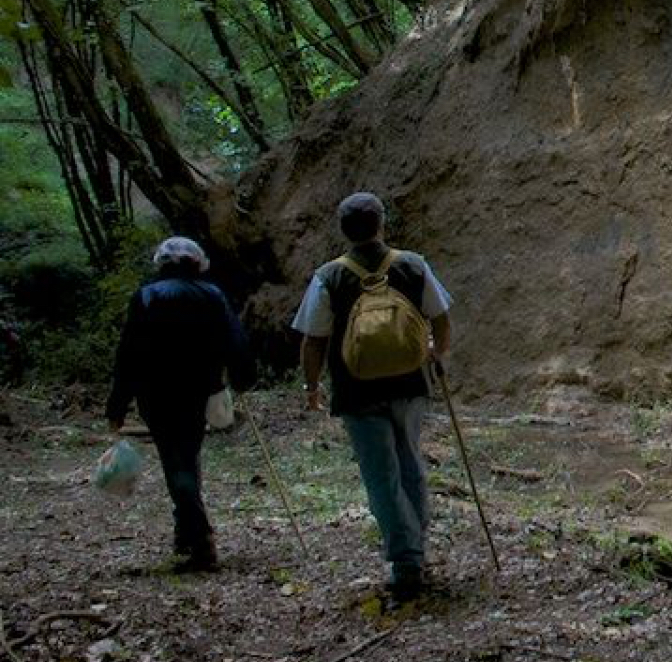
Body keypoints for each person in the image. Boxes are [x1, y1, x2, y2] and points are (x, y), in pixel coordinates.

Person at [292, 193, 453, 602]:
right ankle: (416, 547)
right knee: (411, 461)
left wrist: (312, 388)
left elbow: (314, 340)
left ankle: (406, 562)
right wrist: (436, 354)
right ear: (381, 223)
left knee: (381, 473)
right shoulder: (412, 265)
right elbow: (441, 317)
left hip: (356, 390)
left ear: (343, 229)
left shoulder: (329, 276)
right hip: (410, 384)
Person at [105, 237, 255, 572]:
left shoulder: (145, 296)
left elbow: (127, 354)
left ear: (161, 263)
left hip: (154, 392)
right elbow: (235, 339)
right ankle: (186, 532)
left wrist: (117, 405)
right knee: (186, 455)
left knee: (176, 461)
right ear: (196, 263)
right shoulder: (212, 294)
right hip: (199, 390)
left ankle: (199, 540)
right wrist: (243, 376)